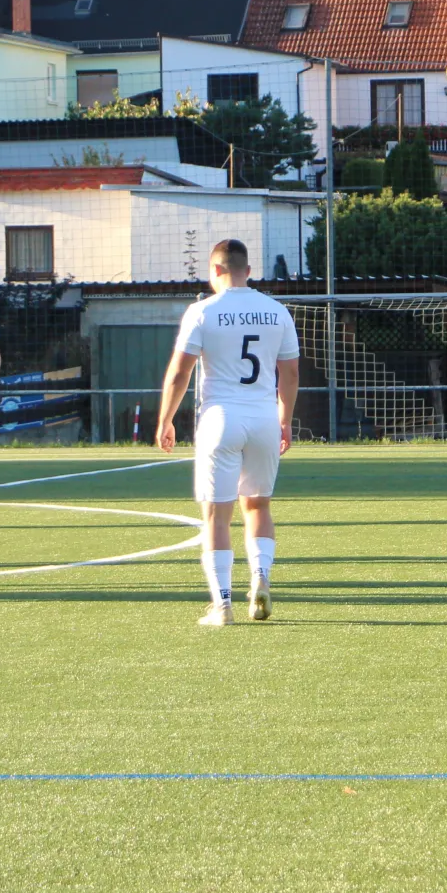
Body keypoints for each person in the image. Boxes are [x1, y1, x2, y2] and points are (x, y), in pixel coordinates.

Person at [155, 239, 300, 627]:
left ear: (215, 270)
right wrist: (285, 419)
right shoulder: (277, 311)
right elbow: (290, 373)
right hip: (264, 418)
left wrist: (166, 419)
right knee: (258, 506)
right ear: (247, 271)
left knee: (216, 516)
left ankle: (222, 606)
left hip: (220, 419)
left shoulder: (203, 311)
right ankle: (261, 576)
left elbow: (181, 371)